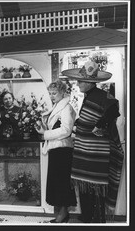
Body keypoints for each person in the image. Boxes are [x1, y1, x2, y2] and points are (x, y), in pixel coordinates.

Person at [62, 60, 124, 223]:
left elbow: (114, 108)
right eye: (78, 80)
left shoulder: (102, 96)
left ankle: (95, 221)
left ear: (91, 83)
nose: (78, 83)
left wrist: (101, 123)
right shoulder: (89, 97)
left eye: (81, 81)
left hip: (96, 155)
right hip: (86, 153)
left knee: (95, 191)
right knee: (87, 191)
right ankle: (88, 218)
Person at [36, 80, 77, 223]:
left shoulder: (67, 108)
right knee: (57, 182)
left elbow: (66, 130)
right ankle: (61, 213)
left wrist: (45, 134)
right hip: (56, 148)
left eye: (54, 93)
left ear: (62, 93)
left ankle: (63, 214)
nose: (51, 96)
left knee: (62, 182)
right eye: (50, 93)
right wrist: (42, 128)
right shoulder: (56, 107)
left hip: (63, 149)